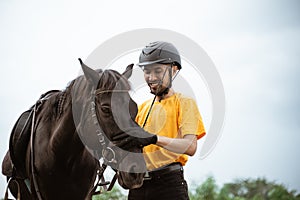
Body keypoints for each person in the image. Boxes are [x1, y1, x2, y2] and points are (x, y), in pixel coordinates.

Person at [114, 41, 206, 200]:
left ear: (173, 70)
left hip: (169, 185)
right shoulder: (141, 108)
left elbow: (190, 146)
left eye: (158, 71)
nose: (151, 77)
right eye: (147, 72)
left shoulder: (184, 103)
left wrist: (154, 139)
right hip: (138, 186)